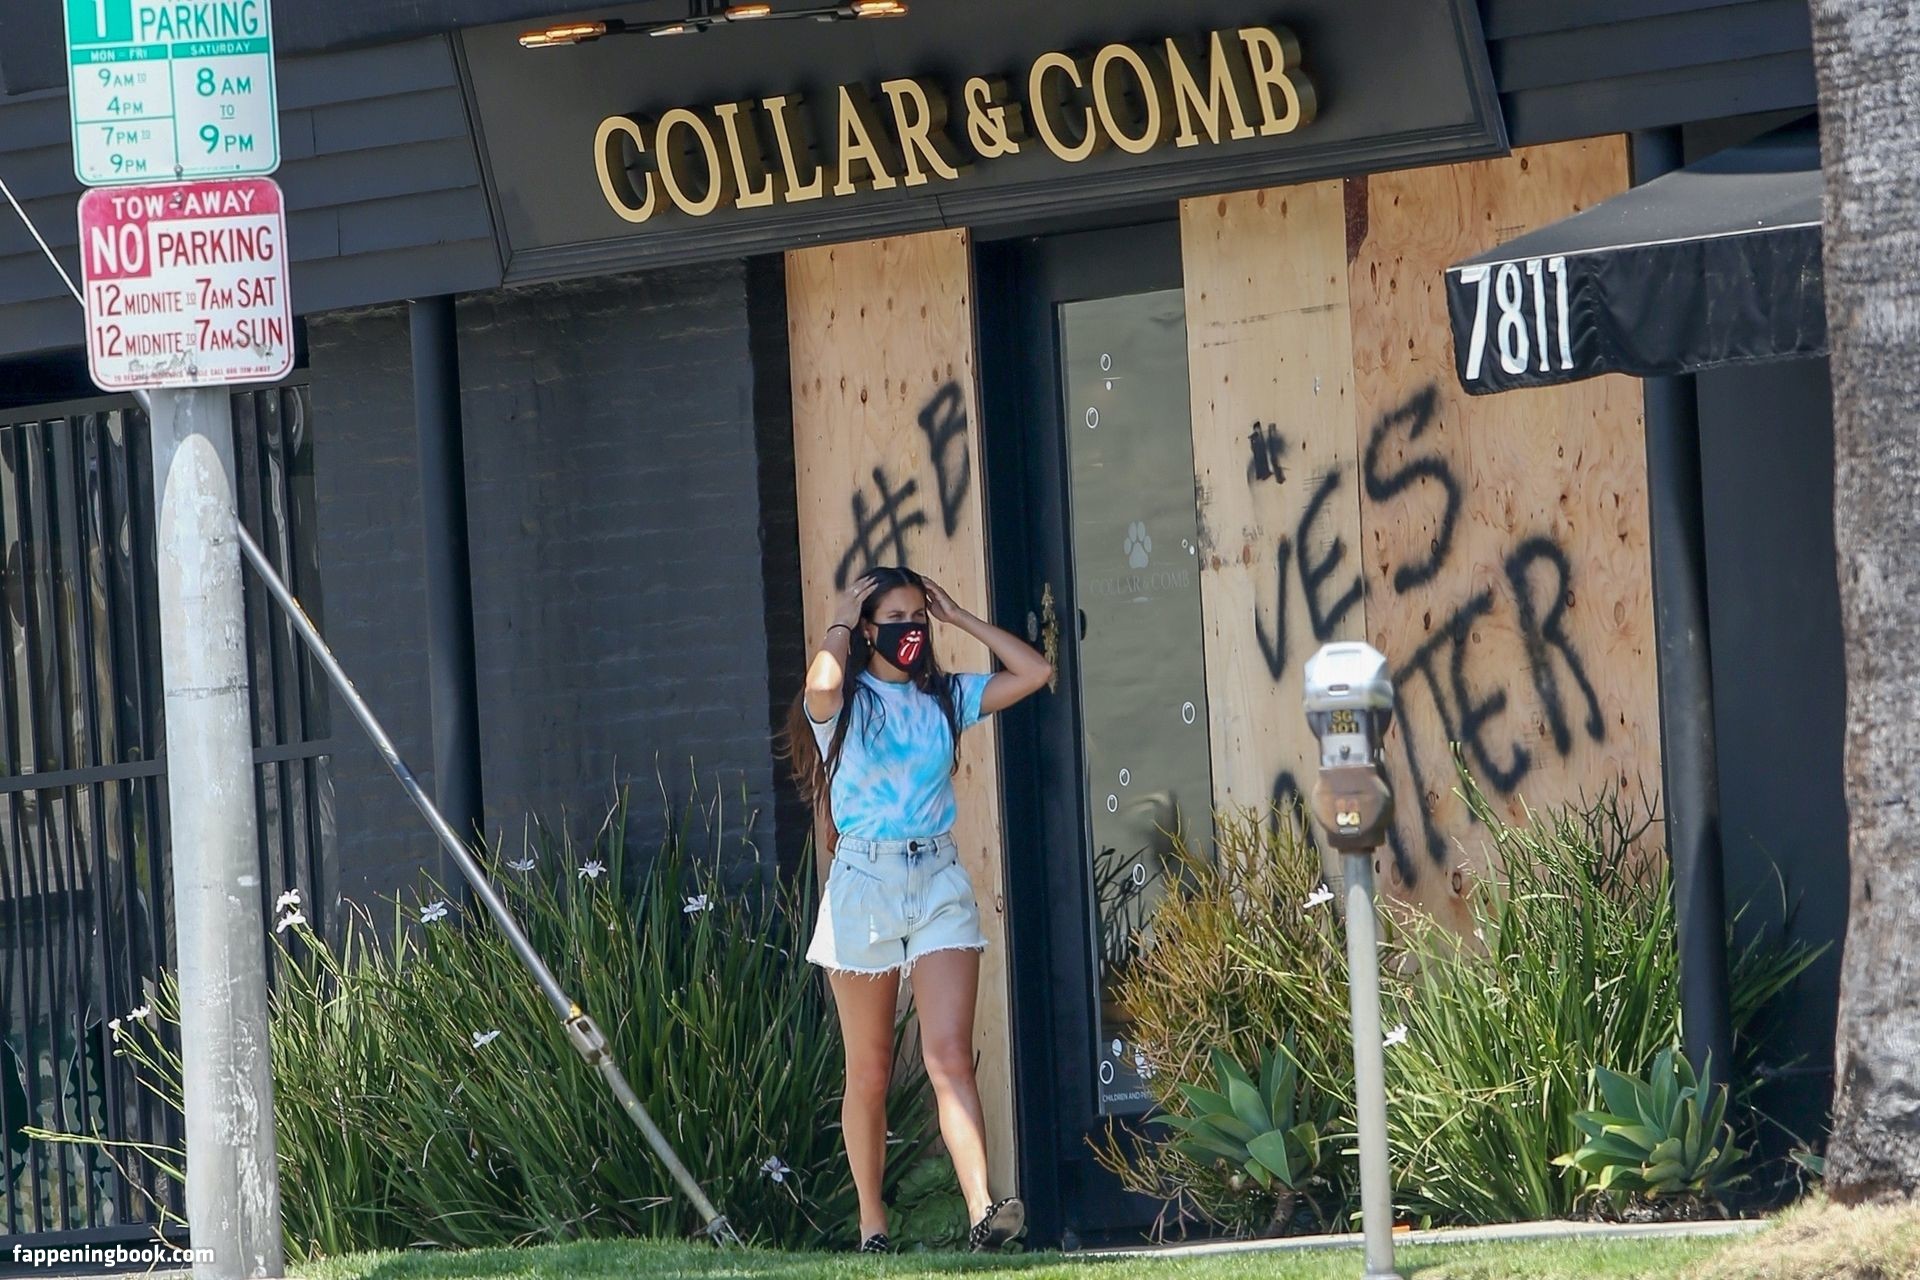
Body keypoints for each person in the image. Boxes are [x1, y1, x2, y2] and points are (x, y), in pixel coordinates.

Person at [783, 565, 1053, 1254]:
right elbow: (819, 686)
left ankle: (982, 1210)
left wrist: (959, 617)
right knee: (870, 1069)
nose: (909, 630)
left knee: (949, 1055)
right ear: (868, 628)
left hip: (936, 879)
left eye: (917, 617)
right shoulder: (845, 704)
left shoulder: (945, 697)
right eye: (894, 618)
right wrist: (840, 622)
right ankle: (873, 1224)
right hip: (865, 884)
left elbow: (1034, 672)